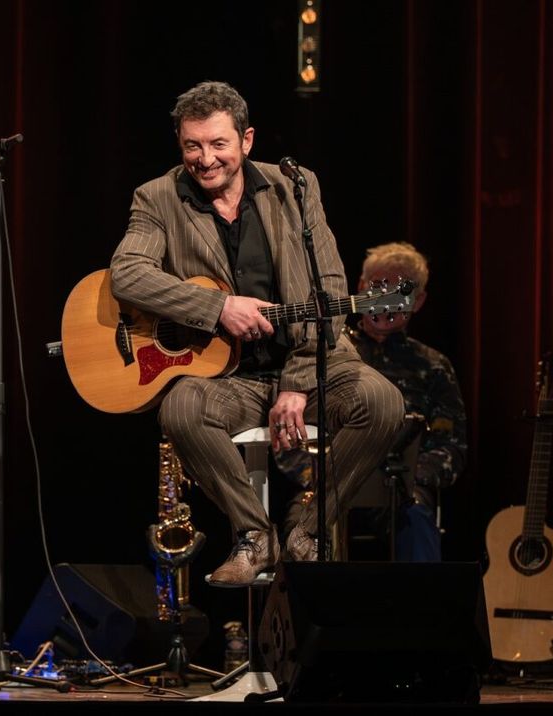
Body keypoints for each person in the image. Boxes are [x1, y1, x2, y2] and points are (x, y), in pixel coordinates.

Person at [109, 81, 404, 586]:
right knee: (180, 409)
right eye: (192, 146)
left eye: (218, 144)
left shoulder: (294, 187)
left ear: (246, 140)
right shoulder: (157, 197)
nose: (205, 159)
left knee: (382, 403)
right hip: (231, 380)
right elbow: (128, 273)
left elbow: (330, 288)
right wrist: (218, 307)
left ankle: (307, 530)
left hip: (308, 363)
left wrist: (297, 383)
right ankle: (254, 535)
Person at [343, 241, 468, 561]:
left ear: (418, 301)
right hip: (333, 486)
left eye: (400, 292)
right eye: (378, 288)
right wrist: (312, 475)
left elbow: (451, 448)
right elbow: (291, 433)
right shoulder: (329, 355)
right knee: (302, 526)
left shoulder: (433, 366)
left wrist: (406, 478)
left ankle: (421, 597)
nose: (386, 301)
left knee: (415, 520)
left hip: (401, 492)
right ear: (361, 287)